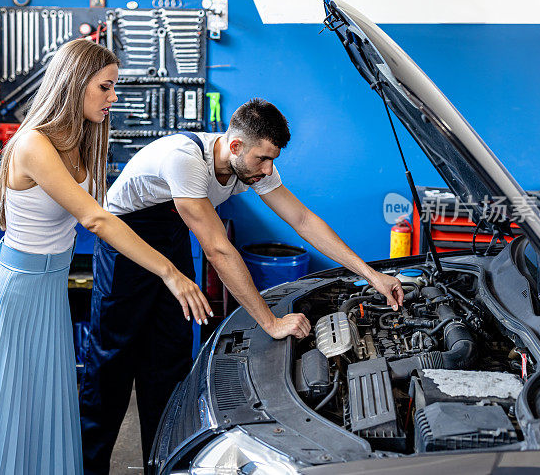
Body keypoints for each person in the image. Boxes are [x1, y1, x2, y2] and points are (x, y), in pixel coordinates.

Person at [79, 98, 405, 473]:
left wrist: (372, 274)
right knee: (112, 362)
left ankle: (160, 466)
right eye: (262, 159)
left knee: (167, 360)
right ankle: (89, 467)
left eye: (273, 160)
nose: (268, 169)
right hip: (125, 241)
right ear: (235, 146)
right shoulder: (183, 159)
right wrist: (270, 321)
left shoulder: (253, 165)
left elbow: (302, 218)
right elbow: (218, 250)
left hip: (169, 236)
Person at [0, 39, 211, 475]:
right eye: (106, 87)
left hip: (50, 297)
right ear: (75, 83)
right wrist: (171, 272)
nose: (114, 97)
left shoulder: (85, 140)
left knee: (45, 418)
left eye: (115, 87)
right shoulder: (33, 144)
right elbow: (96, 220)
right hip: (13, 299)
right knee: (5, 422)